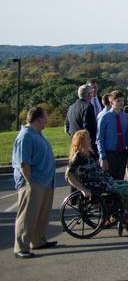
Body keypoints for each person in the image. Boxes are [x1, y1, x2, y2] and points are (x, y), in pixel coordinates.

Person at [65, 129, 128, 236]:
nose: (90, 139)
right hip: (95, 186)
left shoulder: (91, 153)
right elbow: (68, 175)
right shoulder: (77, 157)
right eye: (88, 138)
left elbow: (99, 169)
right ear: (82, 140)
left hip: (106, 181)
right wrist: (82, 190)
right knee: (125, 190)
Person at [12, 107, 57, 258]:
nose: (47, 119)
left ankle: (38, 241)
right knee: (27, 216)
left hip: (45, 182)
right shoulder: (26, 136)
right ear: (38, 119)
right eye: (45, 117)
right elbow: (24, 163)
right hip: (33, 183)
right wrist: (29, 182)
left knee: (41, 214)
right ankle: (21, 248)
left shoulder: (37, 134)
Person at [97, 90, 128, 180]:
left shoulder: (126, 117)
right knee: (109, 183)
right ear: (111, 102)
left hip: (122, 154)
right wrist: (103, 157)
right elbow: (99, 138)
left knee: (120, 181)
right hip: (109, 155)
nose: (121, 103)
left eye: (122, 100)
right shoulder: (104, 117)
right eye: (118, 101)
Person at [65, 84, 99, 157]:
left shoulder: (71, 107)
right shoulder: (88, 106)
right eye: (91, 93)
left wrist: (75, 137)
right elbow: (89, 128)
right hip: (85, 147)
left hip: (74, 145)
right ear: (88, 94)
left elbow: (67, 127)